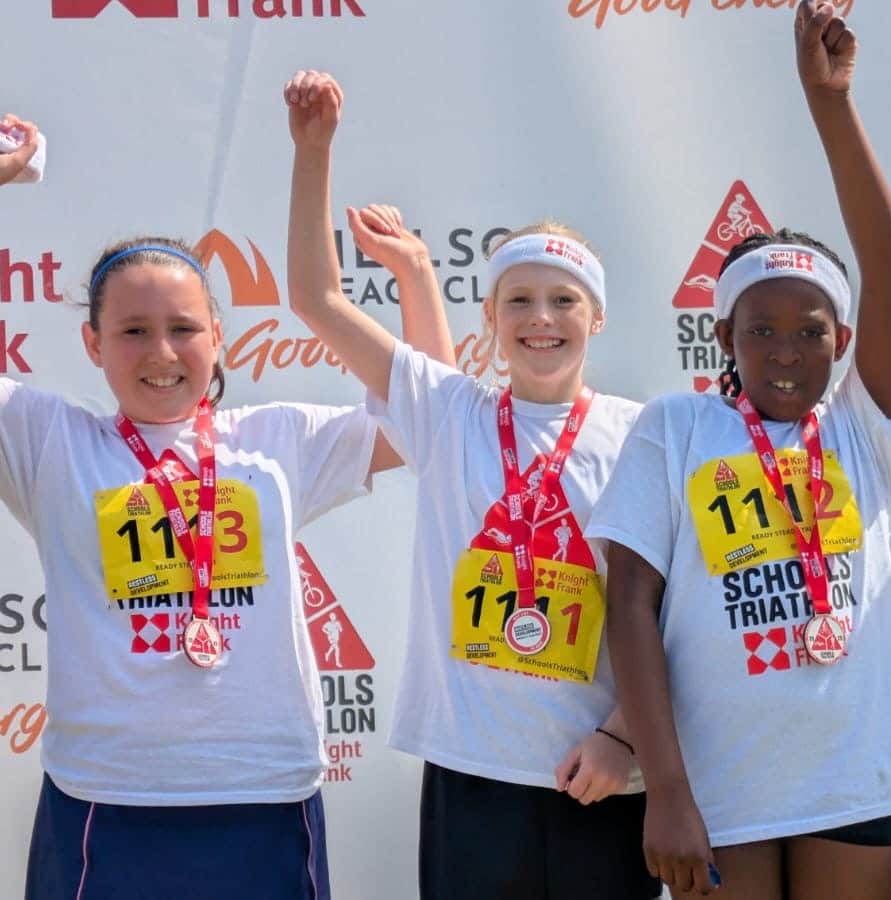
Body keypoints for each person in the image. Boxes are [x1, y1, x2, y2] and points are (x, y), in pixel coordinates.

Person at [0, 114, 400, 899]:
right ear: (93, 343)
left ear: (218, 337)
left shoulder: (279, 438)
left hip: (265, 793)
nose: (161, 352)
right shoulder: (50, 441)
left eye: (184, 328)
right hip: (106, 801)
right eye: (132, 330)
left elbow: (425, 413)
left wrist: (402, 263)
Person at [587, 4, 891, 897]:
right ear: (725, 336)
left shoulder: (861, 425)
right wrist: (666, 789)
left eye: (810, 331)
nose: (787, 352)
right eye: (761, 330)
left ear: (843, 339)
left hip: (855, 771)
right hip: (718, 782)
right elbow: (629, 604)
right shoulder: (677, 427)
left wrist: (831, 105)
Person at [282, 71, 658, 899]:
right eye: (518, 299)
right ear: (489, 317)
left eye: (564, 300)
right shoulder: (451, 413)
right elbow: (315, 297)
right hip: (472, 777)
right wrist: (314, 150)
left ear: (597, 318)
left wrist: (624, 739)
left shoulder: (641, 434)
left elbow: (668, 612)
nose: (541, 318)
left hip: (599, 777)